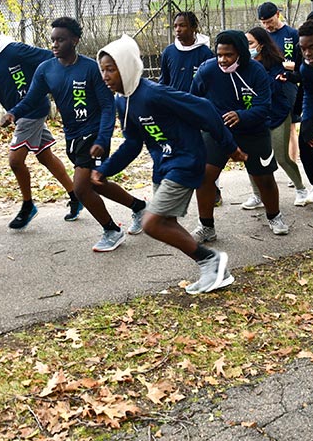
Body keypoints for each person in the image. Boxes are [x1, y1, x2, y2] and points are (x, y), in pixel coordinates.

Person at [93, 34, 246, 294]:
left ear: (127, 66)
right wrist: (105, 169)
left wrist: (230, 147)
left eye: (111, 69)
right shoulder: (123, 100)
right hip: (163, 165)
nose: (105, 76)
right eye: (103, 70)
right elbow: (132, 142)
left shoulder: (153, 93)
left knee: (152, 222)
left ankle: (212, 261)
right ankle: (214, 268)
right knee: (165, 222)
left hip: (186, 161)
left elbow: (206, 110)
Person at [1, 17, 146, 252]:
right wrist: (14, 113)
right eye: (53, 40)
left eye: (61, 39)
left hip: (94, 135)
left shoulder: (91, 68)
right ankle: (139, 207)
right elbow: (32, 99)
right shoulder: (46, 69)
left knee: (81, 188)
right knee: (96, 183)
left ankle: (111, 230)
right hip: (72, 136)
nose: (55, 45)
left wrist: (102, 138)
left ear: (75, 40)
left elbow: (108, 107)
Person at [0, 18, 81, 229]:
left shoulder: (15, 51)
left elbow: (51, 58)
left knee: (15, 161)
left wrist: (48, 85)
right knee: (45, 156)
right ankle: (76, 196)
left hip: (32, 109)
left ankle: (28, 205)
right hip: (17, 114)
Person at [190, 29, 289, 240]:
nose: (223, 60)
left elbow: (264, 106)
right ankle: (206, 226)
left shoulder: (257, 71)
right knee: (204, 176)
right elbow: (193, 100)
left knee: (264, 178)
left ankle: (274, 216)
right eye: (219, 55)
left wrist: (242, 115)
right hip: (219, 131)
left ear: (242, 54)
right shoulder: (207, 70)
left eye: (229, 55)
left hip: (253, 131)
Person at [158, 11, 222, 206]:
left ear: (193, 28)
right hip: (175, 111)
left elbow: (213, 84)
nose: (178, 30)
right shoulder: (169, 52)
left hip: (199, 111)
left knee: (205, 153)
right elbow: (164, 81)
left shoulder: (205, 53)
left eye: (182, 26)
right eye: (175, 26)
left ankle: (214, 190)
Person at [239, 27, 308, 208]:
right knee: (251, 157)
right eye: (245, 44)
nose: (248, 47)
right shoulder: (242, 66)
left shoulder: (275, 62)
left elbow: (271, 89)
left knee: (281, 157)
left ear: (261, 45)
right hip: (254, 117)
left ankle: (301, 189)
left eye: (251, 43)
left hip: (277, 115)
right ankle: (257, 195)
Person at [258, 1, 302, 169]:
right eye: (263, 23)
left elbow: (300, 63)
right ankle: (269, 167)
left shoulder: (292, 34)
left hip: (288, 85)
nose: (267, 26)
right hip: (268, 85)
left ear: (278, 14)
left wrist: (284, 65)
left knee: (290, 127)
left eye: (269, 21)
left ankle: (292, 165)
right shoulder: (262, 37)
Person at [288, 18, 313, 237]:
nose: (307, 53)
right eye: (303, 48)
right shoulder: (305, 67)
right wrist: (307, 122)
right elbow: (309, 94)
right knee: (303, 143)